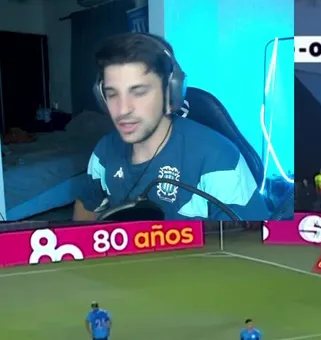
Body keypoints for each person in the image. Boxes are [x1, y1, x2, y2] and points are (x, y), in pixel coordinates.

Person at [73, 33, 267, 221]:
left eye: (139, 92)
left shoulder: (218, 160)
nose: (123, 110)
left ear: (171, 93)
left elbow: (247, 236)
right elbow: (86, 207)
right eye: (112, 94)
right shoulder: (104, 151)